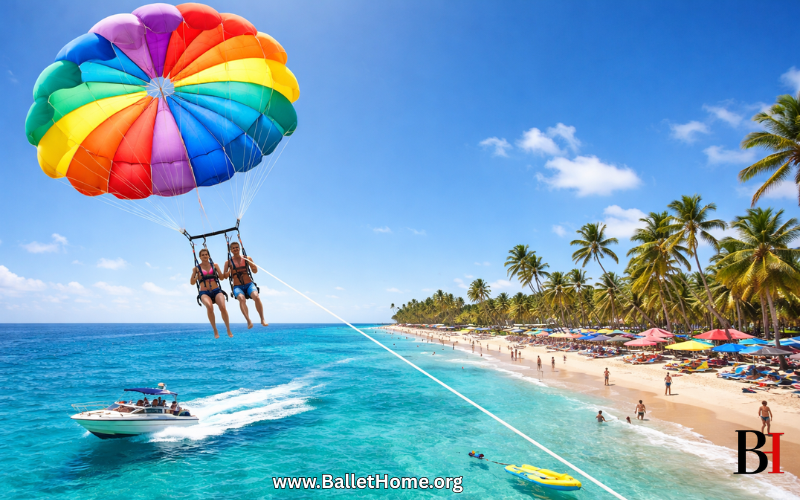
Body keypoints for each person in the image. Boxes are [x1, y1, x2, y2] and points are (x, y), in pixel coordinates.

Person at [224, 241, 268, 329]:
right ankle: (248, 320)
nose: (235, 249)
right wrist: (228, 271)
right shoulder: (228, 262)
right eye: (233, 248)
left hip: (249, 284)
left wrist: (252, 265)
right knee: (242, 299)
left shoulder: (247, 258)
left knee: (257, 297)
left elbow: (255, 271)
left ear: (239, 248)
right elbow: (224, 277)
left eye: (237, 247)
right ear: (231, 250)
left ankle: (262, 319)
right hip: (237, 286)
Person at [191, 248, 233, 339]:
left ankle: (228, 328)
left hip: (216, 290)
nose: (205, 256)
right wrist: (196, 277)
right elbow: (192, 282)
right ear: (200, 257)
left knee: (222, 307)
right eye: (203, 255)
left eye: (206, 254)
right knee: (210, 307)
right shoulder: (196, 268)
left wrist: (228, 272)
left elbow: (221, 278)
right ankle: (215, 329)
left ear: (209, 255)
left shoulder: (215, 265)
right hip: (204, 292)